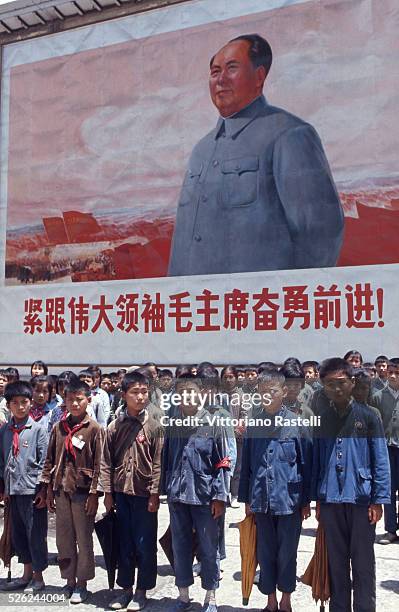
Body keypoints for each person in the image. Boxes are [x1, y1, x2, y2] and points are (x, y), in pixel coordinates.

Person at [168, 33, 343, 276]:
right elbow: (184, 242)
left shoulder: (289, 134)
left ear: (259, 76)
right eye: (215, 71)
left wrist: (286, 297)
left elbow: (319, 233)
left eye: (232, 68)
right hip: (196, 307)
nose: (221, 79)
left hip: (257, 306)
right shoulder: (202, 150)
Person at [312, 358, 390, 612]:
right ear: (323, 386)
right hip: (332, 500)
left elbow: (380, 459)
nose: (336, 389)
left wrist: (378, 500)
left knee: (363, 562)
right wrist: (318, 501)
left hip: (361, 500)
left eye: (341, 383)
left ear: (352, 382)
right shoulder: (322, 419)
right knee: (336, 562)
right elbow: (317, 462)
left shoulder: (368, 417)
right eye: (330, 384)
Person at [238, 369, 312, 612]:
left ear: (283, 392)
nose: (268, 395)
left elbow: (306, 465)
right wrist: (246, 499)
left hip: (289, 500)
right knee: (265, 552)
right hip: (261, 499)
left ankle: (286, 599)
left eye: (273, 391)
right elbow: (246, 464)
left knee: (287, 553)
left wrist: (305, 502)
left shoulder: (296, 424)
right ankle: (270, 600)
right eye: (263, 392)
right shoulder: (254, 424)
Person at [161, 376, 231, 612]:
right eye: (182, 392)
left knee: (208, 549)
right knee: (180, 548)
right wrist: (164, 490)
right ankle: (183, 597)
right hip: (178, 496)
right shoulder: (172, 424)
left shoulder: (214, 423)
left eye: (191, 392)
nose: (187, 397)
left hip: (204, 497)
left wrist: (220, 497)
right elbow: (166, 459)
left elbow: (223, 462)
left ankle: (210, 597)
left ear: (201, 393)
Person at [101, 371, 163, 611]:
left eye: (144, 391)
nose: (140, 396)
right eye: (134, 392)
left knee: (145, 544)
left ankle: (141, 591)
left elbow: (158, 463)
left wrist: (155, 494)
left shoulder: (155, 425)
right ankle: (125, 589)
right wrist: (107, 494)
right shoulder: (115, 426)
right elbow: (106, 461)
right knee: (124, 543)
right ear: (124, 395)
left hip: (144, 495)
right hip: (121, 494)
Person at [38, 379, 103, 604]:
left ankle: (82, 583)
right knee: (64, 539)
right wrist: (48, 488)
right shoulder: (59, 427)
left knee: (83, 538)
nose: (74, 403)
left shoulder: (94, 429)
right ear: (64, 401)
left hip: (83, 492)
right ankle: (69, 580)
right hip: (60, 490)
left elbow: (99, 464)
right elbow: (49, 459)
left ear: (88, 400)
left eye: (79, 399)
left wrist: (95, 494)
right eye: (70, 399)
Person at [0, 381, 48, 593]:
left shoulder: (38, 430)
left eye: (24, 402)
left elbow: (45, 462)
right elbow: (2, 460)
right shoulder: (4, 431)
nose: (20, 407)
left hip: (32, 492)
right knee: (18, 534)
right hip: (12, 491)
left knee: (34, 534)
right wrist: (4, 488)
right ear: (8, 405)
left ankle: (38, 577)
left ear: (30, 403)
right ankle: (26, 573)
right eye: (15, 403)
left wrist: (42, 490)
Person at [371, 358, 399, 544]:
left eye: (397, 372)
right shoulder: (378, 397)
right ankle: (390, 530)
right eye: (390, 372)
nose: (393, 376)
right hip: (387, 448)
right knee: (389, 490)